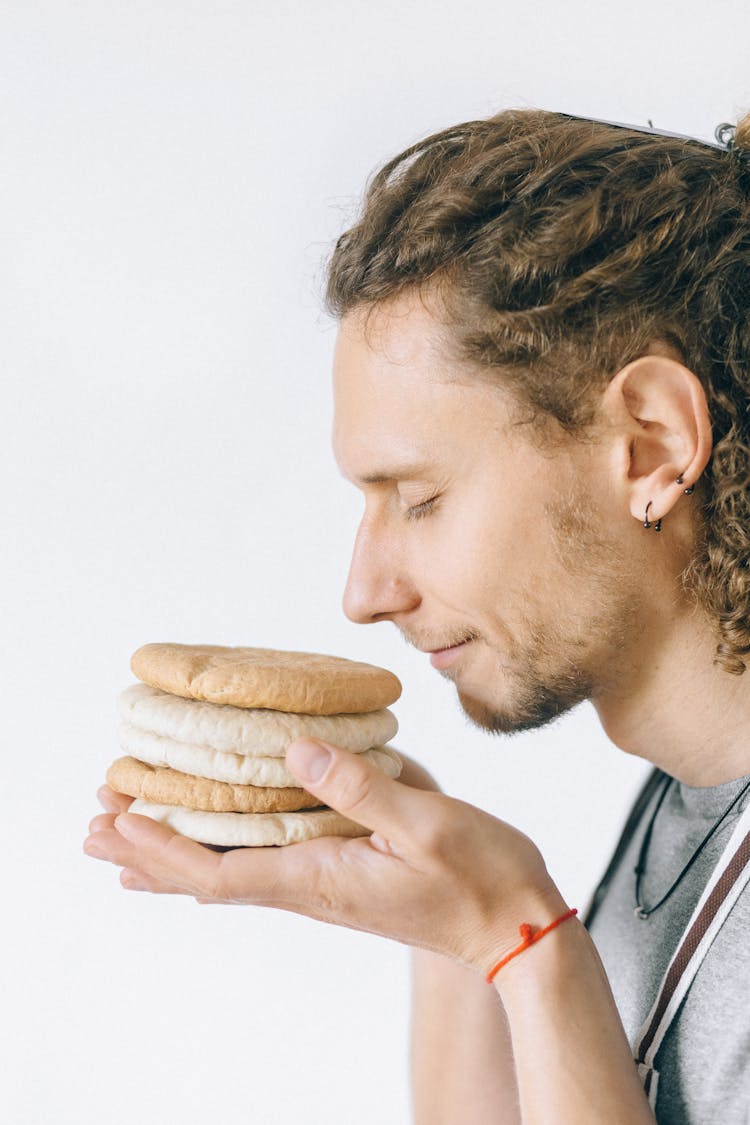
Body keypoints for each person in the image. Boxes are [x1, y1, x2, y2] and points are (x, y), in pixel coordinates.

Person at [84, 108, 750, 1123]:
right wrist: (450, 924)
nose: (365, 593)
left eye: (422, 499)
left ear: (650, 447)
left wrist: (522, 939)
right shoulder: (689, 802)